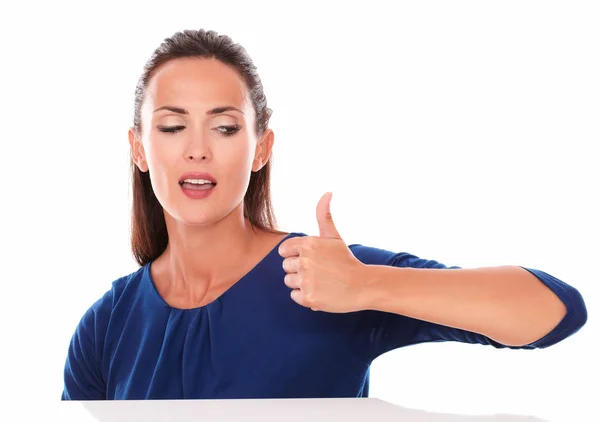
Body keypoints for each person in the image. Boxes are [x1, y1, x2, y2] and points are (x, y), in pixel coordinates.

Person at [61, 29, 588, 401]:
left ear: (261, 148)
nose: (197, 150)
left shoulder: (322, 274)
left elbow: (557, 311)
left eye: (224, 127)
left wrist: (369, 287)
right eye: (173, 127)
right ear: (138, 148)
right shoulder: (106, 327)